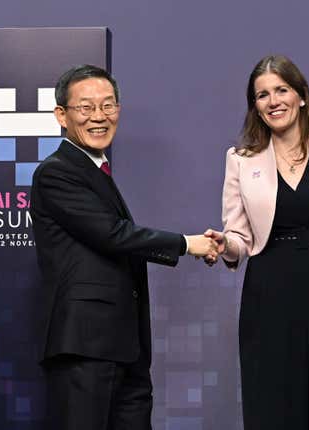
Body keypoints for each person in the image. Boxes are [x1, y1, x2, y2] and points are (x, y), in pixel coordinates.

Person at [30, 64, 217, 430]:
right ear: (61, 116)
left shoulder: (95, 169)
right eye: (85, 108)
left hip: (124, 346)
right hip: (85, 345)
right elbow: (112, 234)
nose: (99, 117)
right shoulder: (56, 172)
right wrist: (187, 244)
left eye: (109, 105)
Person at [205, 55, 309, 429]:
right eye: (262, 95)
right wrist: (223, 244)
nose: (273, 101)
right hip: (269, 298)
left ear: (301, 96)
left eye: (281, 90)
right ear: (255, 106)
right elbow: (239, 238)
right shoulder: (240, 160)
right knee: (273, 408)